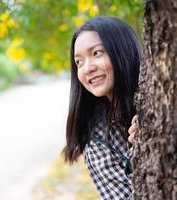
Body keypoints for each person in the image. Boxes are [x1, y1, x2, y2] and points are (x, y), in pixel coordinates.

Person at [62, 16, 141, 200]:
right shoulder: (99, 143)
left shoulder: (163, 93)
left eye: (97, 53)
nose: (87, 68)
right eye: (79, 62)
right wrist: (146, 151)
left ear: (123, 49)